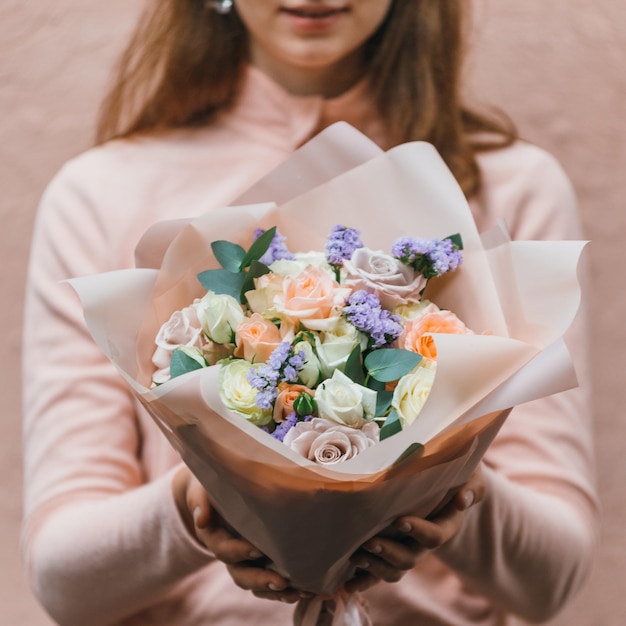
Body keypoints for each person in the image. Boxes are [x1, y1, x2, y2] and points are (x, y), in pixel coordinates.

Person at [21, 1, 598, 625]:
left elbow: (552, 583)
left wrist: (445, 490)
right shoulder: (100, 193)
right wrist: (197, 504)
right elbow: (64, 583)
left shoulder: (514, 185)